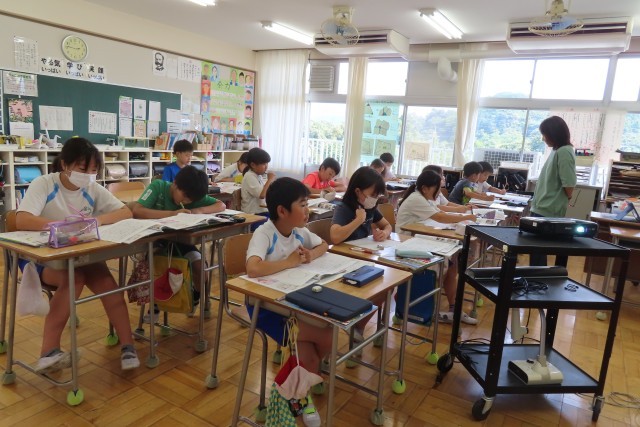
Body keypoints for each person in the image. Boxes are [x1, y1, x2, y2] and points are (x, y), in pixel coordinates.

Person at [16, 137, 140, 373]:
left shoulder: (91, 188)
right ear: (65, 164)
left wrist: (96, 220)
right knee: (74, 278)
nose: (89, 175)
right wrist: (59, 226)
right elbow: (21, 219)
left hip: (77, 251)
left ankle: (128, 346)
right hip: (41, 256)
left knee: (108, 285)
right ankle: (48, 352)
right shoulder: (44, 184)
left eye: (94, 170)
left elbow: (125, 212)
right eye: (83, 169)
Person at [246, 177, 332, 425]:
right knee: (327, 336)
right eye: (302, 205)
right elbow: (253, 268)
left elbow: (324, 244)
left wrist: (310, 254)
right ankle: (297, 392)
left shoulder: (298, 231)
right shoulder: (264, 233)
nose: (308, 210)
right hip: (267, 308)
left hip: (293, 303)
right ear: (282, 211)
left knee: (316, 351)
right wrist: (289, 262)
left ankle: (299, 385)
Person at [133, 166, 226, 316]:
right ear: (175, 183)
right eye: (184, 196)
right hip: (155, 244)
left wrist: (199, 210)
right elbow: (137, 210)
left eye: (191, 200)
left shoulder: (192, 195)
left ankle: (195, 298)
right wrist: (172, 214)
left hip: (181, 244)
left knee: (200, 266)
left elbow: (221, 205)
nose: (186, 201)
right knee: (158, 266)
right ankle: (155, 305)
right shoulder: (158, 187)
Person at [396, 170, 478, 325]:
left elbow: (440, 212)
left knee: (453, 266)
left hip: (422, 238)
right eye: (437, 188)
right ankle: (422, 307)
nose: (439, 192)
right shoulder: (416, 198)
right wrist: (466, 216)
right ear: (425, 188)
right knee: (445, 264)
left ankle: (454, 308)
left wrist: (462, 214)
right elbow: (440, 217)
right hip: (409, 242)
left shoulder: (425, 198)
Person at [530, 116, 576, 266]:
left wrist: (565, 198)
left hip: (548, 209)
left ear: (554, 134)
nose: (543, 138)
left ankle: (537, 278)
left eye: (544, 134)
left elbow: (569, 184)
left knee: (538, 252)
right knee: (535, 251)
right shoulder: (556, 150)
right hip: (541, 207)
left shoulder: (564, 151)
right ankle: (535, 277)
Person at [241, 147, 275, 215]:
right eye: (263, 164)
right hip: (253, 214)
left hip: (262, 211)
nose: (266, 167)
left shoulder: (258, 175)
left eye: (267, 163)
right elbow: (262, 195)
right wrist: (270, 180)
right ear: (253, 165)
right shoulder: (249, 176)